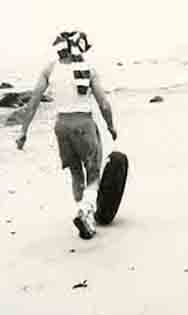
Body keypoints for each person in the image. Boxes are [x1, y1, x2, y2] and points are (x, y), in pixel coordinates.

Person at [16, 31, 117, 239]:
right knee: (93, 172)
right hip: (83, 124)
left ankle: (84, 215)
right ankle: (86, 210)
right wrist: (110, 126)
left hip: (61, 126)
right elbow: (104, 104)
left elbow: (33, 103)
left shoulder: (49, 69)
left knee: (75, 173)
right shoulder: (89, 69)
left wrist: (23, 132)